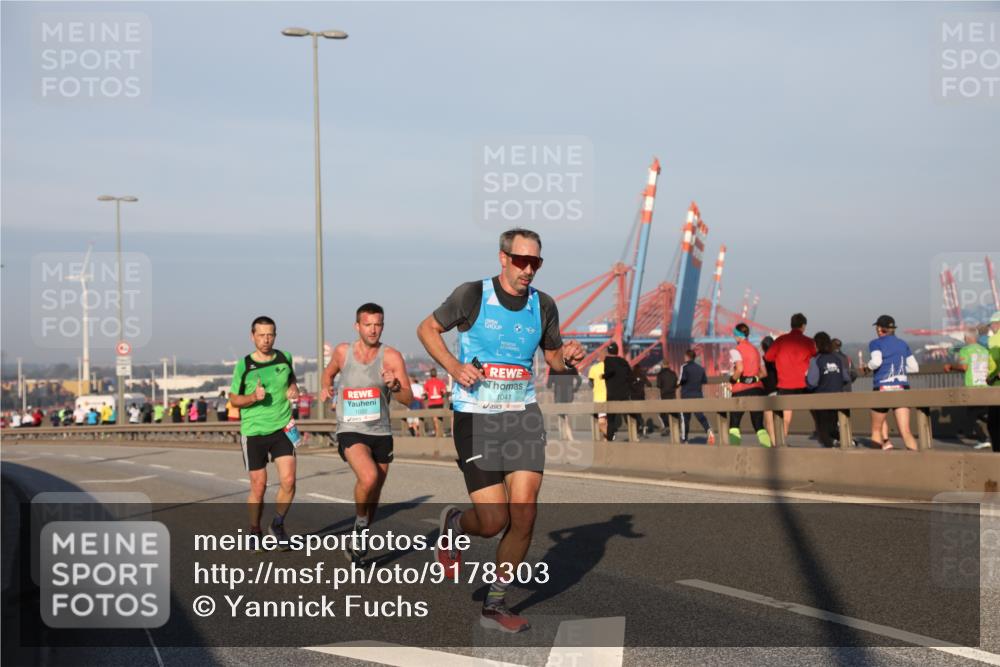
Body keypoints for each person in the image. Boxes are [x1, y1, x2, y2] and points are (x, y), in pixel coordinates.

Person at [416, 227, 585, 633]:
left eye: (536, 263)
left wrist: (569, 359)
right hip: (476, 416)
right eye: (522, 261)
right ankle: (455, 523)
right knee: (493, 521)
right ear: (503, 258)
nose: (529, 269)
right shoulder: (473, 295)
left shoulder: (542, 305)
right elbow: (427, 329)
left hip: (522, 416)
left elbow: (554, 360)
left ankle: (495, 603)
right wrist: (454, 368)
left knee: (524, 515)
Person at [321, 303, 413, 564]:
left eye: (378, 324)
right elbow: (328, 375)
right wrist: (326, 388)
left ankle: (357, 541)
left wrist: (394, 385)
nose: (373, 330)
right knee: (369, 476)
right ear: (357, 326)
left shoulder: (391, 356)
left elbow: (408, 398)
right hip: (351, 428)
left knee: (374, 493)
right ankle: (360, 529)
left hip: (381, 431)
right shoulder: (342, 352)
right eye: (368, 324)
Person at [228, 315, 301, 545]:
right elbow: (233, 399)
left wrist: (293, 389)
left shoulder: (284, 357)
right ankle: (254, 529)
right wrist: (252, 397)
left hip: (282, 427)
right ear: (252, 337)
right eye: (261, 335)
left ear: (275, 335)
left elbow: (292, 381)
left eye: (270, 334)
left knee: (289, 481)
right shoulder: (244, 365)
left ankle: (277, 524)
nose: (266, 339)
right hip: (254, 431)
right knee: (258, 487)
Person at [864, 315, 919, 451]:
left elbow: (876, 362)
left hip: (882, 387)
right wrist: (897, 369)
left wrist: (867, 367)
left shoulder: (875, 343)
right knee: (906, 431)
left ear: (879, 329)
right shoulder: (903, 344)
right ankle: (918, 463)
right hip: (902, 387)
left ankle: (878, 463)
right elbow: (914, 367)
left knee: (876, 429)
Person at [764, 313, 817, 441]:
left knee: (786, 418)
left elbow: (768, 357)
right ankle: (822, 432)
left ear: (791, 324)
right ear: (803, 326)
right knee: (818, 409)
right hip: (805, 384)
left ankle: (780, 444)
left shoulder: (780, 340)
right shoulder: (809, 342)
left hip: (785, 384)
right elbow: (816, 357)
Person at [944, 326, 995, 449]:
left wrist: (951, 367)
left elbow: (964, 367)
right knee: (982, 412)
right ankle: (986, 436)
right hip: (985, 385)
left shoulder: (965, 350)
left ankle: (983, 439)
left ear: (966, 338)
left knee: (971, 415)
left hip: (972, 387)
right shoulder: (984, 350)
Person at [727, 323, 771, 447]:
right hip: (757, 390)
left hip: (740, 390)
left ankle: (735, 451)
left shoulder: (736, 350)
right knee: (758, 425)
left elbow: (739, 369)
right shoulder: (756, 350)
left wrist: (732, 380)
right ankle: (767, 448)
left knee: (734, 424)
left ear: (737, 336)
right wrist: (754, 378)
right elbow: (764, 373)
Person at [806, 331, 851, 447]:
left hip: (822, 400)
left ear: (816, 345)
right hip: (838, 399)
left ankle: (830, 447)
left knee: (824, 431)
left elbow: (812, 382)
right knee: (834, 427)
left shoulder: (816, 360)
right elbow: (846, 378)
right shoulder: (837, 359)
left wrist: (806, 379)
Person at [678, 349, 714, 444]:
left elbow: (681, 380)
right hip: (698, 395)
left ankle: (684, 438)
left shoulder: (684, 367)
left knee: (685, 418)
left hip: (686, 396)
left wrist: (678, 383)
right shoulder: (700, 368)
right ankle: (709, 431)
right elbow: (704, 381)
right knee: (700, 416)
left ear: (687, 357)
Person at [602, 342, 632, 442]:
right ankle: (634, 436)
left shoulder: (607, 361)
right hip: (624, 393)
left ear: (608, 351)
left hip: (612, 394)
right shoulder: (624, 362)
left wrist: (603, 377)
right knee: (628, 416)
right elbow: (630, 375)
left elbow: (609, 373)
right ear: (617, 350)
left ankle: (610, 438)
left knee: (610, 418)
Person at [547, 366, 581, 441]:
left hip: (558, 395)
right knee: (567, 416)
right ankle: (568, 436)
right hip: (569, 395)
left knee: (561, 416)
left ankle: (565, 436)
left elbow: (549, 384)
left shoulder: (553, 368)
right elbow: (579, 380)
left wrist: (551, 385)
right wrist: (575, 389)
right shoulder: (571, 367)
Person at [760, 336, 778, 445]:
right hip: (781, 390)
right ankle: (781, 440)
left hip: (768, 391)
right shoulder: (778, 358)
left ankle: (773, 442)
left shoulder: (764, 360)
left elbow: (762, 374)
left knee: (769, 421)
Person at [655, 362, 679, 436]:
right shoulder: (673, 373)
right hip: (672, 395)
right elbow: (677, 384)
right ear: (669, 365)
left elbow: (658, 385)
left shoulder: (660, 374)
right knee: (673, 411)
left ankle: (667, 427)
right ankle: (675, 427)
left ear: (663, 365)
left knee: (663, 413)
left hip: (664, 395)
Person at [587, 355, 608, 440]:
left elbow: (590, 383)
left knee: (601, 421)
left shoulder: (594, 368)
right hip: (610, 397)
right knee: (607, 421)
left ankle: (609, 436)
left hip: (599, 397)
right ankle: (606, 441)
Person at [988, 311, 1000, 452]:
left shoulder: (993, 340)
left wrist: (992, 377)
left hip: (995, 388)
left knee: (994, 424)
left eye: (992, 324)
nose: (991, 327)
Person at [423, 368, 448, 438]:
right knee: (440, 418)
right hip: (440, 402)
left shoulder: (427, 382)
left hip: (432, 403)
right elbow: (444, 391)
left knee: (434, 419)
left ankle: (438, 434)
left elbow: (425, 392)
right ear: (436, 374)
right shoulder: (440, 382)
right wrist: (441, 395)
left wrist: (428, 395)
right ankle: (440, 432)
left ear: (430, 374)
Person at [628, 365, 651, 438]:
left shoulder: (631, 375)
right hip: (641, 396)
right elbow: (649, 384)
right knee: (638, 413)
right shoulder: (642, 375)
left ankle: (641, 426)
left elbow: (628, 385)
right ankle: (640, 428)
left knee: (636, 413)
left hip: (634, 397)